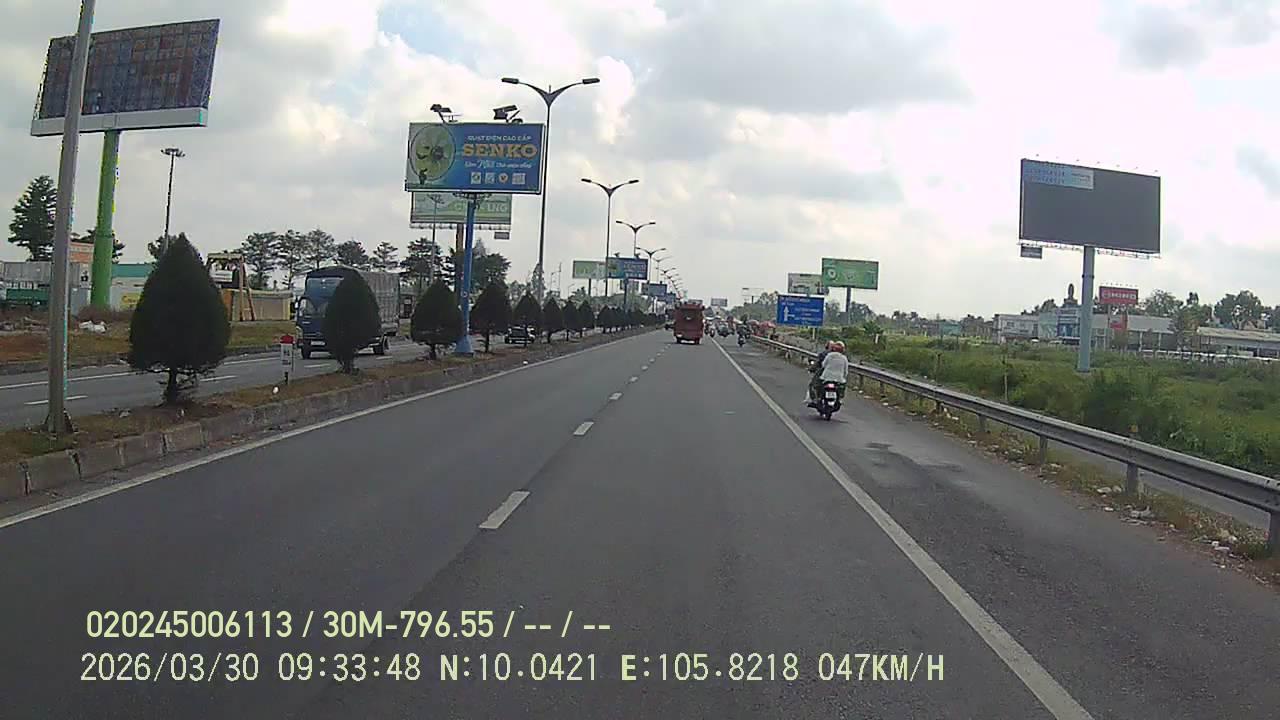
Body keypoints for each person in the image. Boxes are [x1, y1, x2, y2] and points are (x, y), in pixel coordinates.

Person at [810, 340, 850, 404]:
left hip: (827, 377)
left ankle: (818, 398)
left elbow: (823, 365)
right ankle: (840, 398)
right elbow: (846, 371)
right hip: (839, 379)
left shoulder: (829, 355)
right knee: (842, 387)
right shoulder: (844, 358)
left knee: (817, 385)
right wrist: (844, 377)